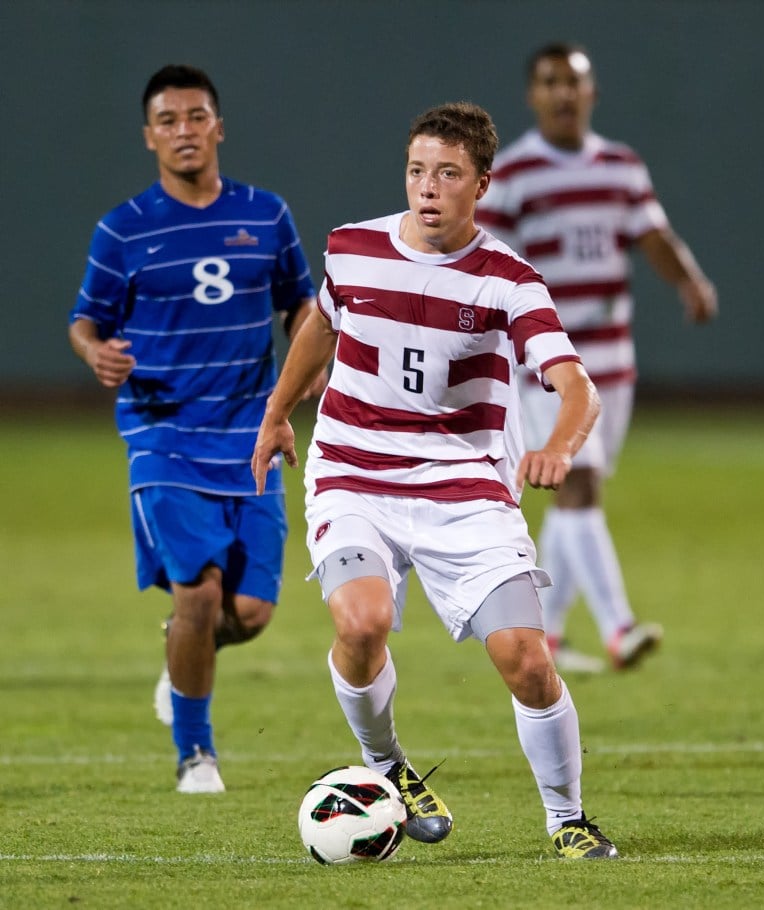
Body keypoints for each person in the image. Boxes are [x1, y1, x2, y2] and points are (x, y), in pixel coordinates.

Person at [252, 101, 618, 858]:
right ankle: (387, 767)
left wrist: (559, 445)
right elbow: (322, 321)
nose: (428, 187)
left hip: (464, 488)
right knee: (360, 623)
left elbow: (579, 385)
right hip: (355, 473)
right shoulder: (353, 249)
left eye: (448, 174)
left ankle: (566, 819)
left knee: (527, 658)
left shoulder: (508, 280)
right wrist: (278, 410)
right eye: (418, 170)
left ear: (480, 185)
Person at [68, 64, 324, 793]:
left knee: (249, 612)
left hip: (251, 434)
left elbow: (300, 308)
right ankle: (196, 754)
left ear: (219, 126)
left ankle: (181, 658)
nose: (185, 131)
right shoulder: (124, 230)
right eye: (169, 120)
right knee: (200, 595)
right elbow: (85, 321)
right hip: (164, 435)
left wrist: (311, 364)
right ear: (150, 136)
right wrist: (97, 352)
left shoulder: (266, 216)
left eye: (196, 116)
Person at [476, 43, 718, 674]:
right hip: (548, 364)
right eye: (550, 82)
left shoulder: (620, 165)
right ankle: (619, 628)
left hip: (613, 360)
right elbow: (486, 259)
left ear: (592, 93)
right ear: (533, 95)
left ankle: (549, 633)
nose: (563, 93)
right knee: (577, 483)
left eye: (573, 82)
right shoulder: (515, 172)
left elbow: (651, 236)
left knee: (577, 494)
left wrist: (688, 281)